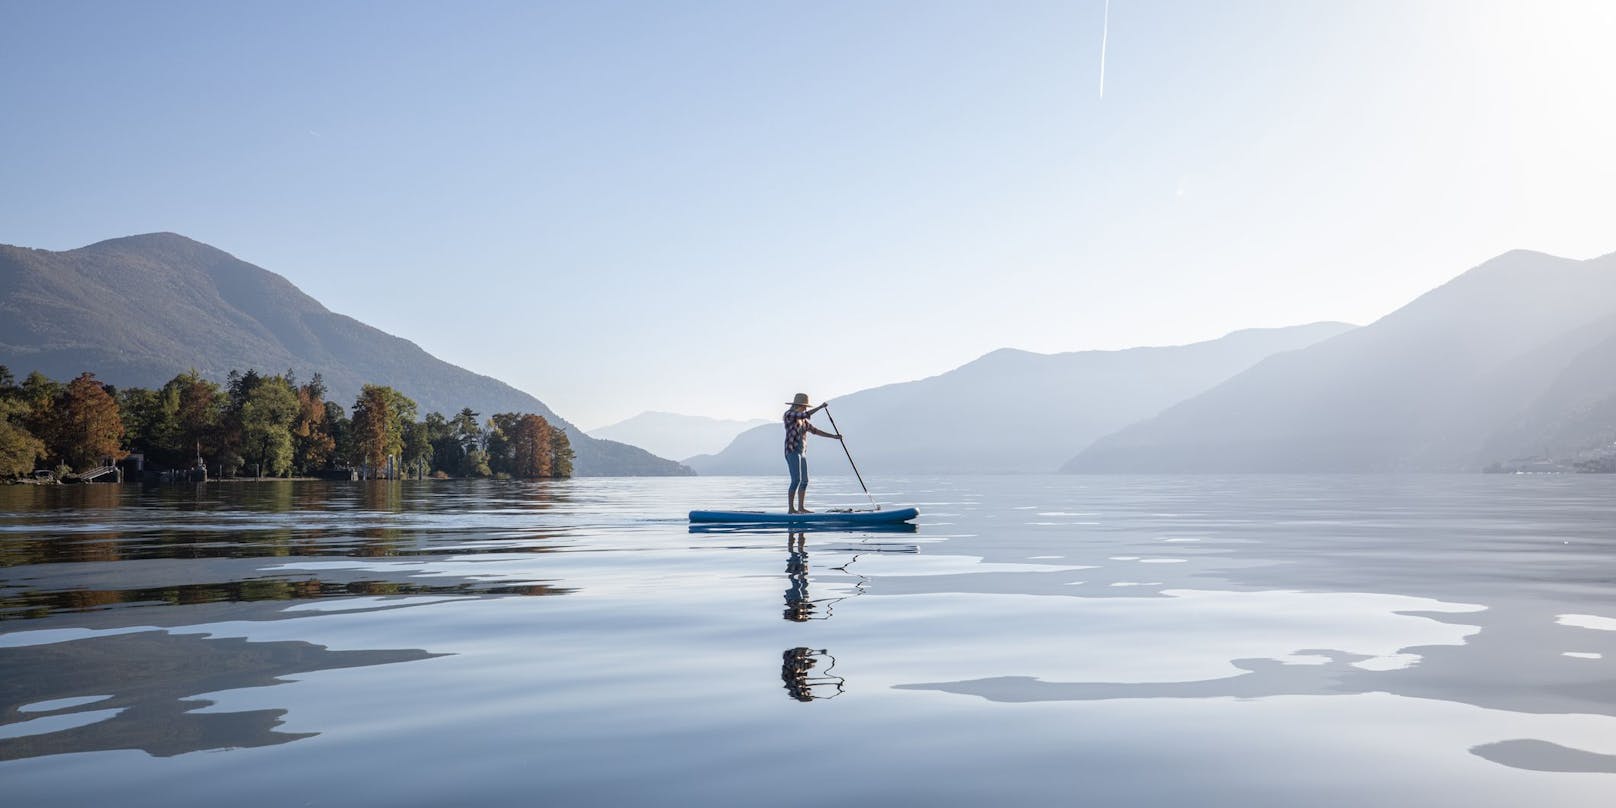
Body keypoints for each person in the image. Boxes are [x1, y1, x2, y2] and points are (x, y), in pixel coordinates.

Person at [782, 393, 840, 514]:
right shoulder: (789, 414)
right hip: (792, 451)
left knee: (805, 481)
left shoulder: (803, 420)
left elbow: (815, 431)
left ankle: (801, 508)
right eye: (804, 406)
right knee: (796, 480)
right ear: (799, 405)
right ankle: (791, 509)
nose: (806, 408)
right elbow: (805, 414)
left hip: (802, 452)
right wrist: (820, 407)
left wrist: (834, 437)